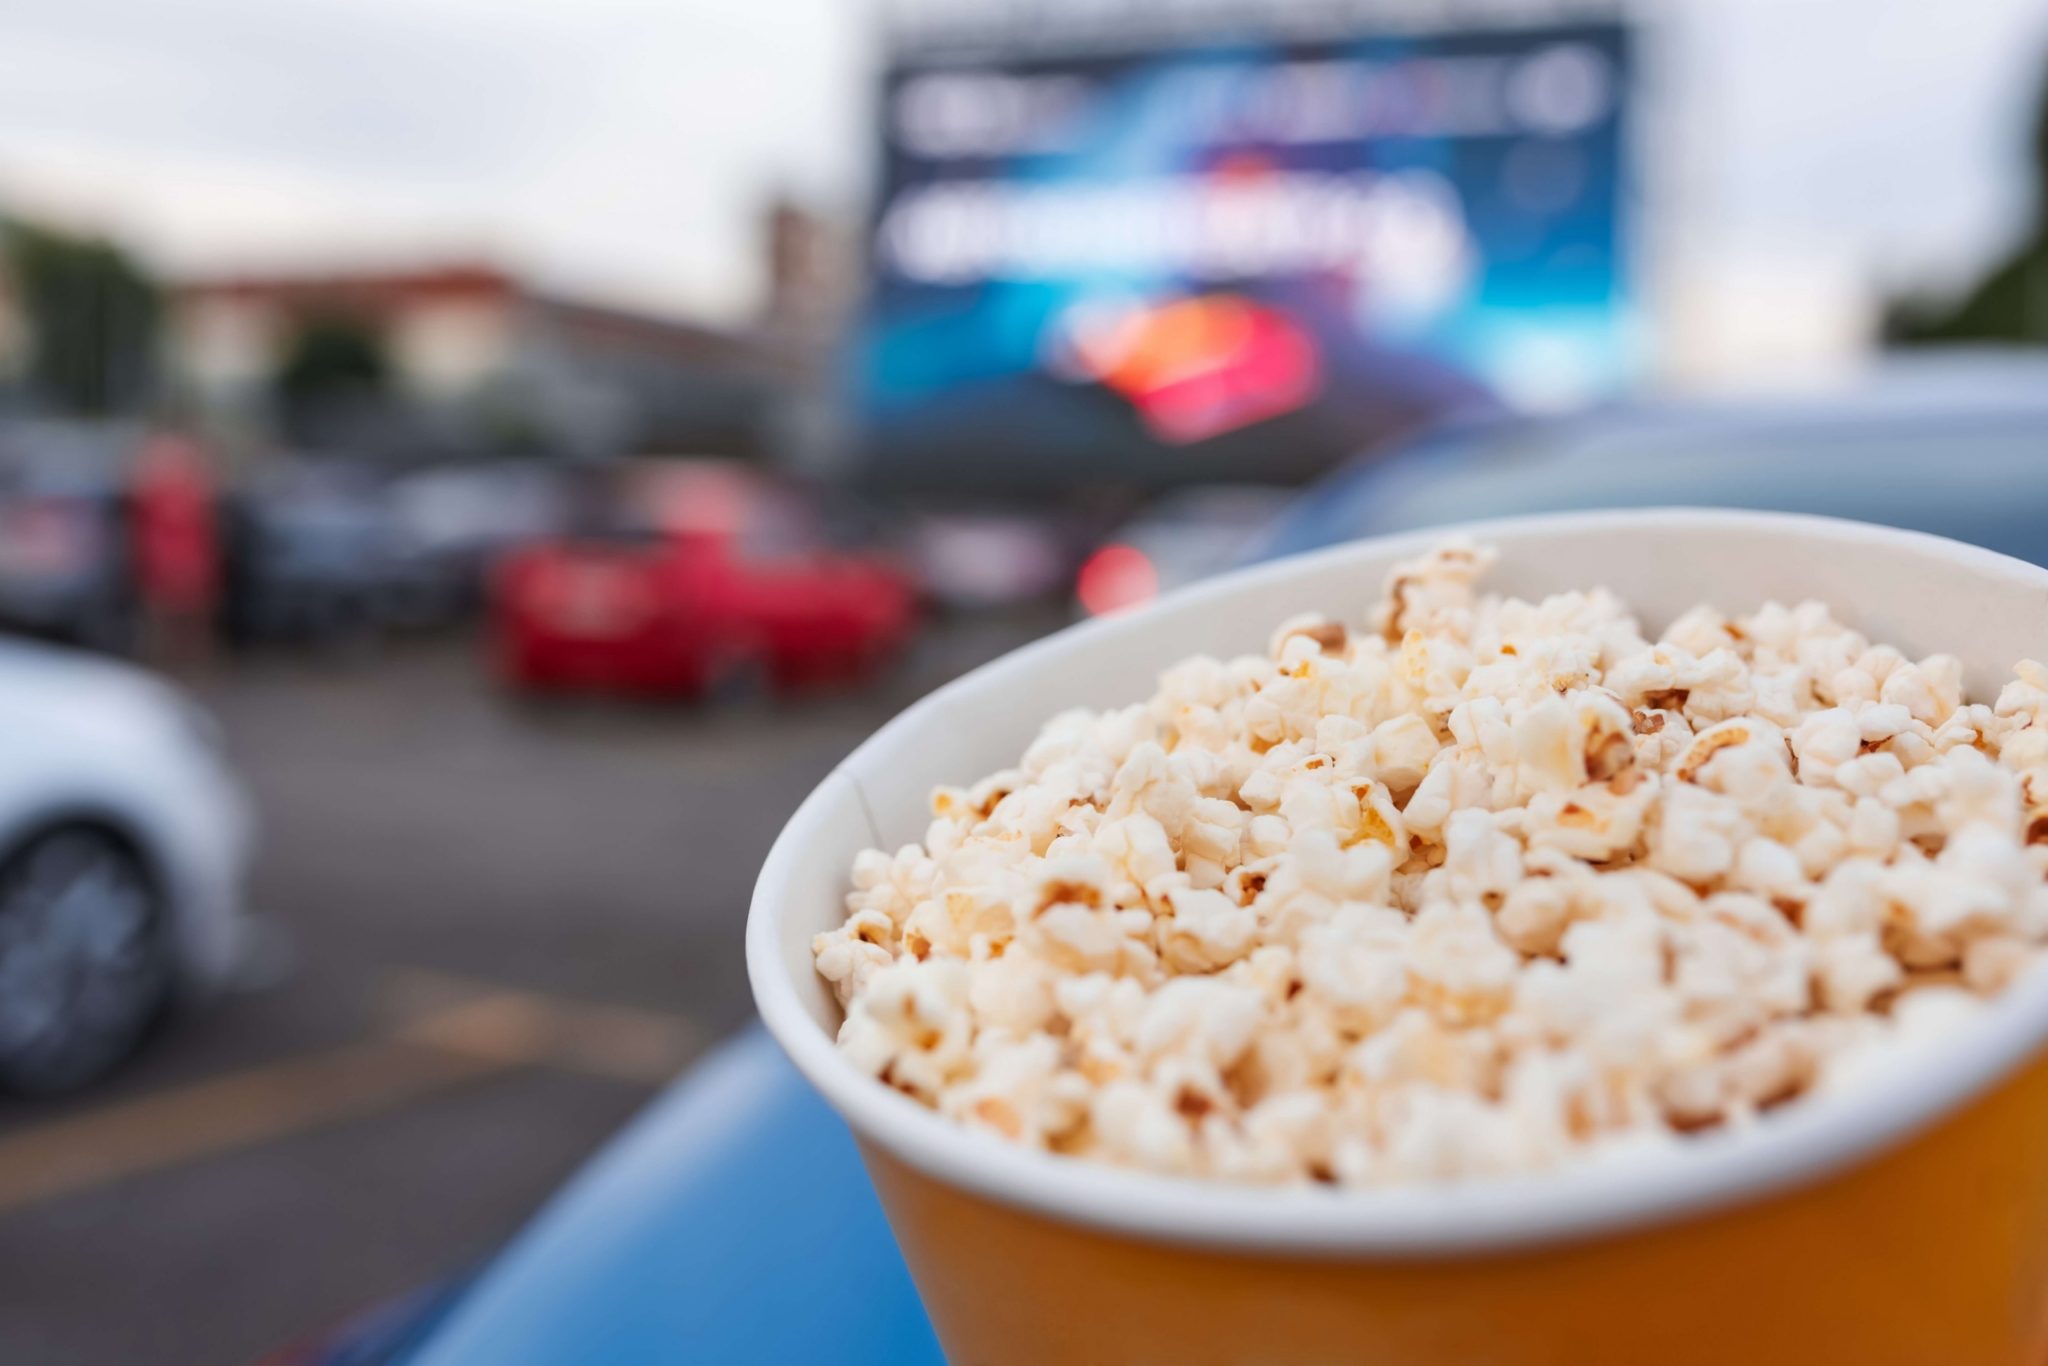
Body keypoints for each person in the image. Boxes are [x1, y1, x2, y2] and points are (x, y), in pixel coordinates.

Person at [131, 431, 220, 670]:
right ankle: (165, 661)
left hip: (190, 560)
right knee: (163, 616)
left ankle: (193, 660)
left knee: (192, 618)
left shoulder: (194, 490)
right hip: (163, 561)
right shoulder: (155, 492)